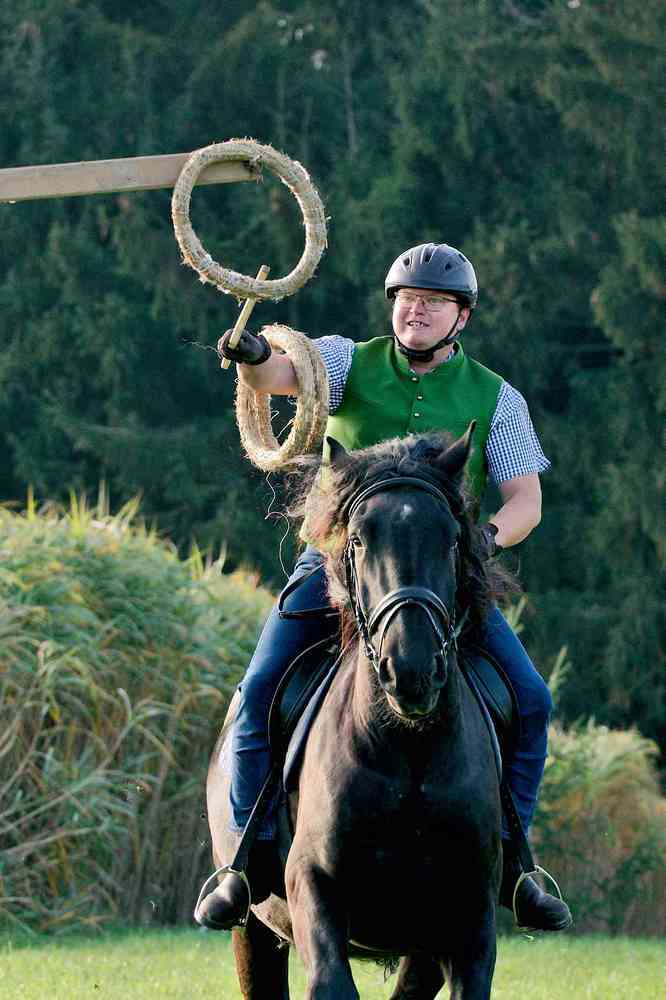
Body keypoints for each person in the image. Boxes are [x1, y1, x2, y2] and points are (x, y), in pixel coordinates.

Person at [198, 243, 572, 933]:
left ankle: (514, 867)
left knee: (531, 700)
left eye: (433, 302)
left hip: (441, 583)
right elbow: (282, 373)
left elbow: (526, 500)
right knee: (257, 691)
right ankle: (242, 863)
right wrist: (251, 356)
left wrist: (485, 539)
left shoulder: (498, 397)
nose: (416, 311)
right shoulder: (346, 360)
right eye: (406, 298)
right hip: (337, 569)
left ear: (461, 317)